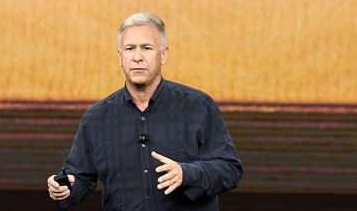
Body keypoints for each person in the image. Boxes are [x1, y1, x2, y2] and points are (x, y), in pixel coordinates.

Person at [47, 12, 243, 209]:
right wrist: (65, 188)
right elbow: (80, 177)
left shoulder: (198, 106)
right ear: (120, 57)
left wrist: (188, 173)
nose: (137, 57)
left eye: (147, 48)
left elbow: (230, 169)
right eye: (130, 48)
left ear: (163, 55)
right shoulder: (97, 117)